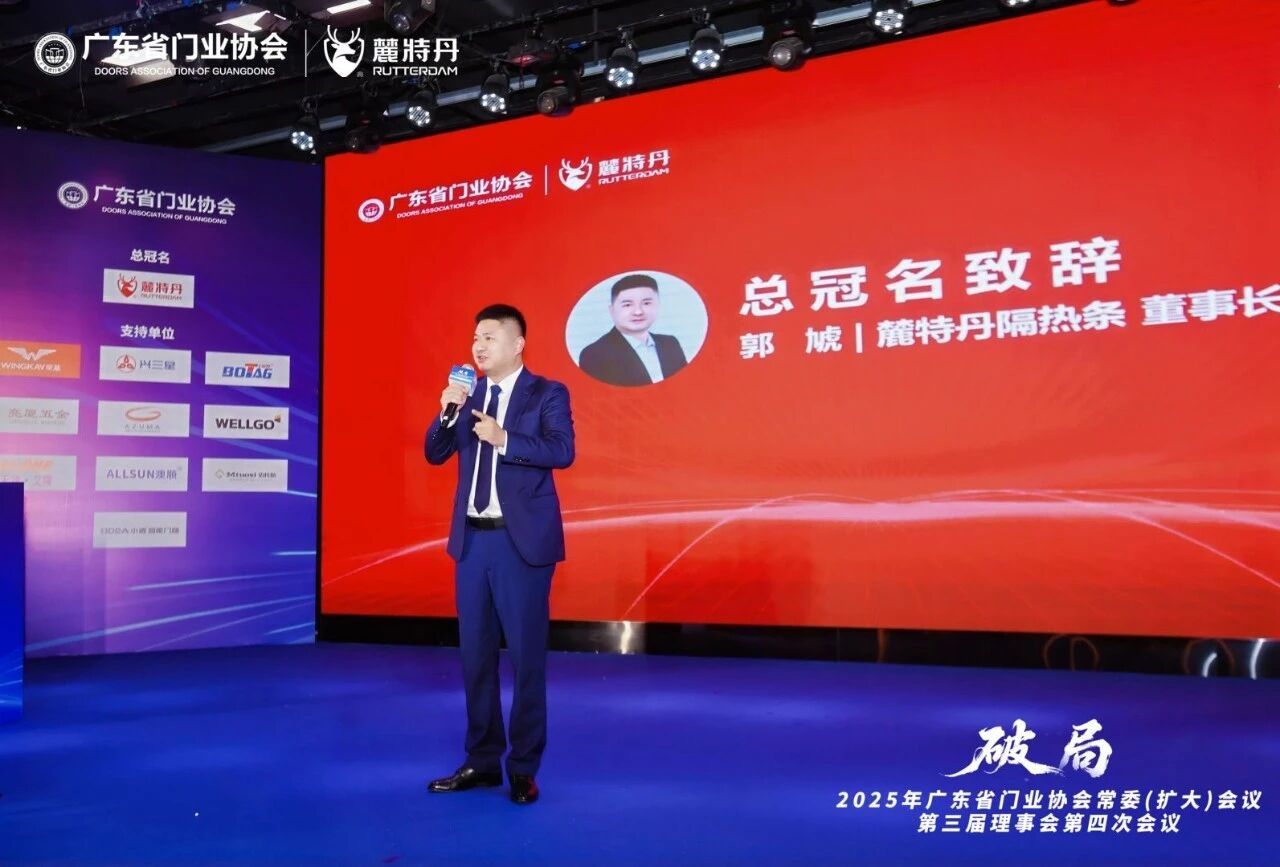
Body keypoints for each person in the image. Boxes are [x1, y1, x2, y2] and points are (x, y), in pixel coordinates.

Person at [423, 303, 575, 806]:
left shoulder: (547, 393)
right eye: (475, 339)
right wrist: (447, 411)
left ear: (517, 343)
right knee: (475, 658)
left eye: (488, 337)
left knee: (526, 660)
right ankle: (482, 760)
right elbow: (434, 452)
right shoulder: (467, 396)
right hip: (472, 543)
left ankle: (524, 768)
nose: (479, 346)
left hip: (520, 545)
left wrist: (505, 438)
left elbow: (562, 450)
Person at [578, 273, 688, 386]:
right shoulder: (595, 354)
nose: (638, 312)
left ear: (658, 305)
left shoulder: (670, 344)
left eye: (646, 303)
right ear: (612, 310)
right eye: (627, 305)